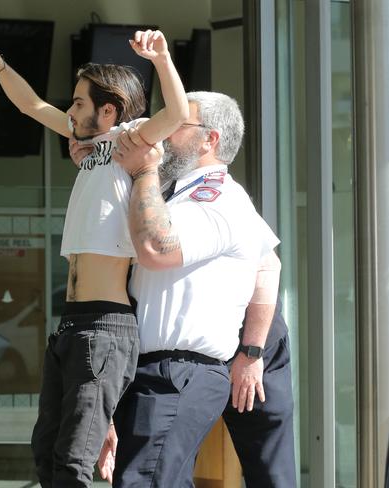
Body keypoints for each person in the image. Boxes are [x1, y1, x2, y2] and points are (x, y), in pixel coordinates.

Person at [0, 30, 188, 487]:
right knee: (47, 451)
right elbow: (32, 106)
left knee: (74, 461)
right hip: (73, 323)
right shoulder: (92, 147)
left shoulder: (128, 140)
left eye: (79, 103)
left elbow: (176, 113)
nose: (71, 111)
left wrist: (160, 59)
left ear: (109, 110)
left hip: (104, 327)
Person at [96, 91, 280, 487]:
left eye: (177, 123)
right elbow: (268, 263)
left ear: (209, 139)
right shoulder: (177, 192)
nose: (162, 132)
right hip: (152, 370)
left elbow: (156, 249)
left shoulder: (218, 198)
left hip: (179, 371)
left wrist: (251, 353)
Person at [223, 294, 297, 487]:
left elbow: (268, 266)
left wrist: (252, 351)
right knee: (165, 469)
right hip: (180, 346)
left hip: (258, 344)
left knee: (273, 475)